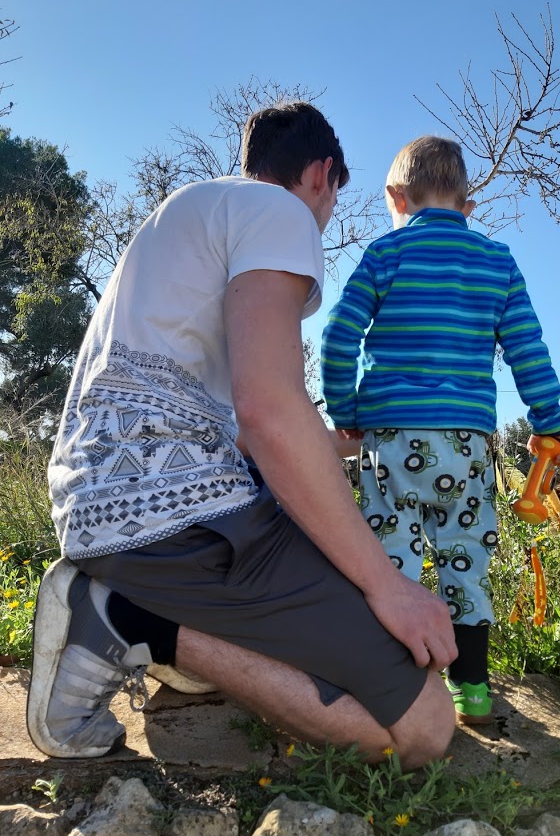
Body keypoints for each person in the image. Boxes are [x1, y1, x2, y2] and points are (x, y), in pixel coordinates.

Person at [26, 105, 457, 768]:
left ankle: (153, 614)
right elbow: (266, 408)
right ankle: (125, 621)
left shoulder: (190, 211)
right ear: (322, 175)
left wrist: (341, 444)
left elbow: (249, 429)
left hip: (97, 506)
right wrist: (389, 586)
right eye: (333, 197)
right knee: (421, 726)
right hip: (177, 522)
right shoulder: (280, 213)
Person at [320, 135, 560, 725]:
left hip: (391, 442)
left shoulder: (384, 255)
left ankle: (399, 688)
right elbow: (528, 352)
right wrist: (552, 425)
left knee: (393, 560)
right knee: (465, 557)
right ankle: (474, 690)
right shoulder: (497, 261)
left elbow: (338, 337)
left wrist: (347, 411)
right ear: (468, 206)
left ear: (396, 196)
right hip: (467, 447)